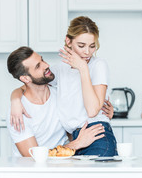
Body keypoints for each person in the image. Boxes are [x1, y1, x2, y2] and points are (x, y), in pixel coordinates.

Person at [10, 16, 117, 157]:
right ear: (68, 41)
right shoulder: (61, 70)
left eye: (92, 46)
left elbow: (92, 111)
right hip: (76, 139)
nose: (87, 52)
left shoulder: (98, 65)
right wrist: (15, 100)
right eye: (81, 45)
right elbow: (32, 83)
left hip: (96, 135)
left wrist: (83, 68)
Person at [7, 46, 105, 157]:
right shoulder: (18, 114)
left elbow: (77, 120)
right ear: (25, 79)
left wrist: (104, 115)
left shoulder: (60, 93)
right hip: (36, 172)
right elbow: (33, 157)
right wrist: (77, 143)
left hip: (64, 165)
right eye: (38, 66)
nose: (47, 65)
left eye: (42, 60)